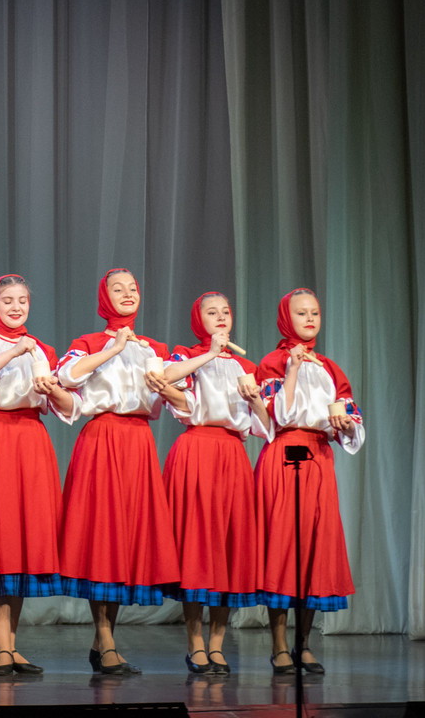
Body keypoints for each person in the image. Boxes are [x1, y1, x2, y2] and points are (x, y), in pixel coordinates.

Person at [54, 268, 180, 675]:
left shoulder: (153, 348)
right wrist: (113, 348)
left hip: (138, 442)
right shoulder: (88, 343)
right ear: (104, 297)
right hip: (102, 439)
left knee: (126, 541)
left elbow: (178, 394)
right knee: (102, 539)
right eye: (117, 289)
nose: (127, 294)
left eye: (133, 288)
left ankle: (104, 640)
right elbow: (66, 376)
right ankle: (105, 639)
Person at [0, 274, 75, 676]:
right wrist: (11, 353)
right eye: (8, 300)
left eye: (22, 300)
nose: (16, 307)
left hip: (29, 442)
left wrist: (52, 388)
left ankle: (10, 646)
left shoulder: (43, 349)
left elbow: (65, 407)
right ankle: (1, 646)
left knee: (19, 543)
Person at [154, 292, 270, 675]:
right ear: (198, 319)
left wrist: (255, 400)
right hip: (197, 450)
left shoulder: (247, 366)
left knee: (228, 548)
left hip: (232, 454)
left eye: (225, 312)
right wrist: (210, 354)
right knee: (197, 548)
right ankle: (195, 643)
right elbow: (165, 379)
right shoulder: (186, 356)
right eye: (211, 312)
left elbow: (264, 428)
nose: (220, 317)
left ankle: (218, 644)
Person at [254, 288, 363, 675]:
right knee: (283, 548)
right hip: (284, 454)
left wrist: (345, 424)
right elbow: (276, 416)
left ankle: (303, 643)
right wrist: (293, 370)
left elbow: (352, 421)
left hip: (319, 458)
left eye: (314, 312)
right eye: (301, 313)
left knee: (314, 548)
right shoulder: (272, 363)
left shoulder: (331, 368)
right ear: (287, 318)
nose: (310, 319)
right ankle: (279, 645)